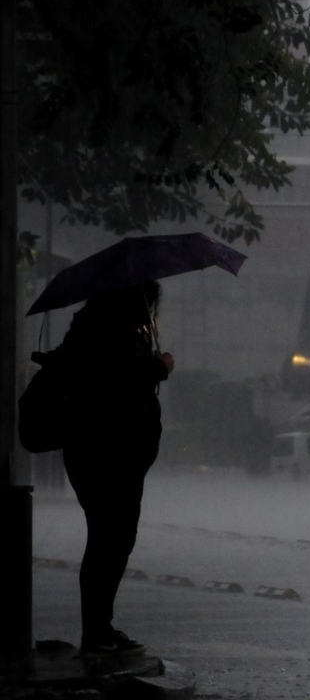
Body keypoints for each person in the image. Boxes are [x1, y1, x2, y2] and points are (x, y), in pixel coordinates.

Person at [57, 281, 173, 657]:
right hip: (109, 456)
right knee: (109, 542)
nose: (150, 309)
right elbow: (111, 387)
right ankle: (96, 632)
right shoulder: (106, 336)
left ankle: (100, 627)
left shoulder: (102, 331)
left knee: (111, 541)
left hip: (116, 456)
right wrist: (157, 367)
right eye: (147, 300)